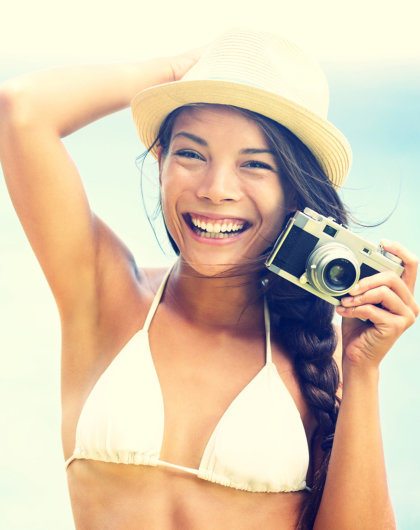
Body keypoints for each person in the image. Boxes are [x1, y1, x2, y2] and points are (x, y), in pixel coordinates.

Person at [0, 29, 418, 530]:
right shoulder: (103, 294)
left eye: (255, 165)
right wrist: (176, 74)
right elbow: (19, 111)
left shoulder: (315, 356)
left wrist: (363, 370)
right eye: (192, 154)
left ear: (293, 193)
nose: (216, 190)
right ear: (160, 162)